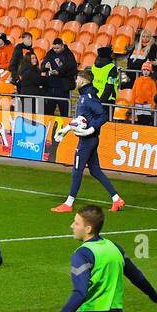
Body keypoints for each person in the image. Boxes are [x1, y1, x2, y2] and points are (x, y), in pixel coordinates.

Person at [51, 71, 124, 213]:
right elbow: (80, 119)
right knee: (95, 170)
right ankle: (116, 199)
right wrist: (66, 130)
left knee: (77, 170)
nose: (76, 80)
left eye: (77, 78)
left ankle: (68, 204)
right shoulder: (84, 96)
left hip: (88, 140)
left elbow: (103, 116)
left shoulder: (88, 97)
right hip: (89, 139)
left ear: (84, 81)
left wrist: (90, 130)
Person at [41, 37, 77, 116]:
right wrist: (45, 66)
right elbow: (42, 65)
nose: (55, 50)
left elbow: (72, 69)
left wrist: (59, 72)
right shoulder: (50, 53)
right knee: (48, 112)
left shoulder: (69, 55)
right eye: (54, 48)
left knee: (64, 112)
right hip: (50, 88)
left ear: (62, 46)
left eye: (57, 48)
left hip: (63, 88)